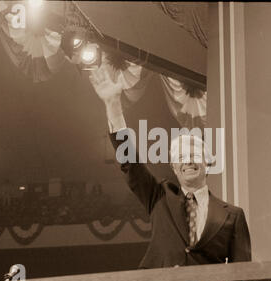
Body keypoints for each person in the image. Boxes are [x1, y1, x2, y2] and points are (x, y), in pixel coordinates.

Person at [89, 63, 251, 269]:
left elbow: (244, 276)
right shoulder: (159, 197)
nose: (188, 160)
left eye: (194, 154)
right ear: (174, 168)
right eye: (180, 157)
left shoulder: (233, 216)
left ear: (208, 163)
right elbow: (130, 163)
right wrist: (113, 104)